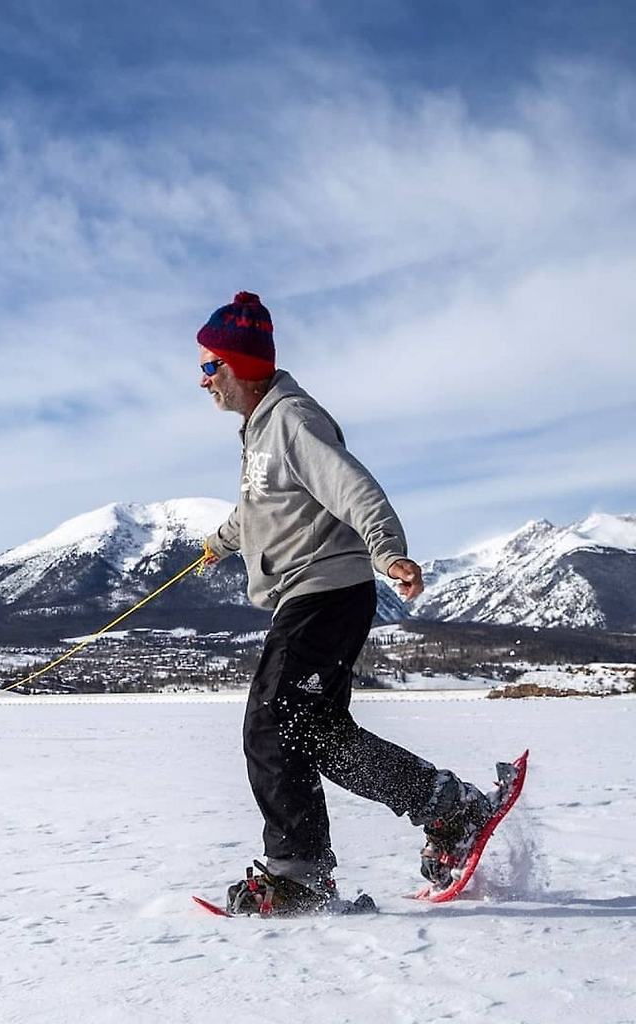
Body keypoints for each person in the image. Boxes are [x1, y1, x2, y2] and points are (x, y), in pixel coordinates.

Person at [196, 291, 506, 914]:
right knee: (314, 732)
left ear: (241, 367)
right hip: (312, 594)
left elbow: (349, 484)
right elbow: (262, 507)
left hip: (324, 591)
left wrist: (388, 551)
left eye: (210, 366)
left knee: (271, 720)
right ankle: (448, 809)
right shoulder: (261, 431)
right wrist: (221, 542)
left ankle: (301, 876)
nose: (202, 380)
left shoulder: (292, 420)